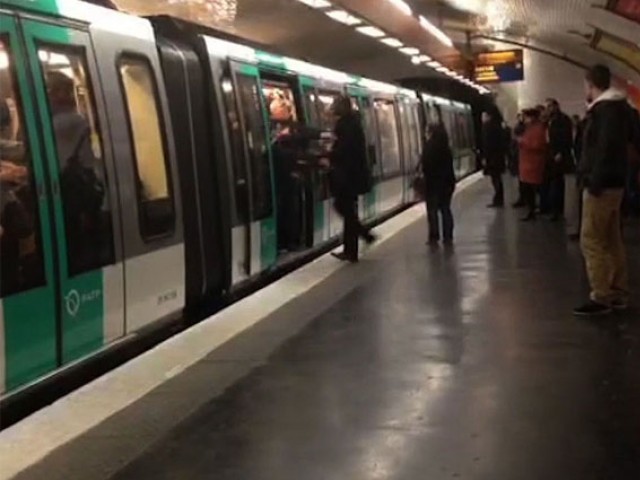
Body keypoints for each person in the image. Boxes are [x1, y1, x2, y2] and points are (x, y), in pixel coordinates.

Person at [574, 64, 631, 316]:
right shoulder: (622, 109)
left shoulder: (604, 111)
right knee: (611, 239)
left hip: (602, 184)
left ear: (590, 84)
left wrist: (593, 179)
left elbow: (604, 148)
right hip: (616, 182)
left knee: (591, 239)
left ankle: (601, 296)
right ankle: (617, 291)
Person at [325, 95, 375, 263]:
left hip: (347, 177)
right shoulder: (354, 123)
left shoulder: (345, 126)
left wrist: (327, 154)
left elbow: (343, 151)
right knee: (349, 212)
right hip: (353, 176)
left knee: (344, 209)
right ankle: (351, 249)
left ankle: (363, 236)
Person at [421, 123, 455, 245]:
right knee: (446, 209)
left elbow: (426, 166)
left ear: (430, 133)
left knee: (433, 211)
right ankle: (448, 235)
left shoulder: (429, 147)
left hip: (433, 185)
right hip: (447, 184)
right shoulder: (446, 147)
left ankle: (434, 236)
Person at [545, 98, 574, 221]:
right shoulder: (550, 120)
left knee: (556, 183)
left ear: (556, 106)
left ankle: (556, 211)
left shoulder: (563, 120)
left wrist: (560, 152)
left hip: (558, 155)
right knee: (556, 182)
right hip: (552, 154)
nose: (548, 109)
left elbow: (566, 137)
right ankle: (556, 209)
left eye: (549, 106)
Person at [517, 108, 548, 221]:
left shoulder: (538, 129)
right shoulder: (529, 128)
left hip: (533, 164)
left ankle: (534, 211)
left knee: (532, 189)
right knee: (529, 189)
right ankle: (532, 210)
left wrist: (522, 142)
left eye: (526, 117)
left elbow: (538, 145)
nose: (524, 119)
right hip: (528, 163)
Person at [481, 106, 507, 207]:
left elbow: (487, 144)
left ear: (489, 116)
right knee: (497, 178)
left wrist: (485, 158)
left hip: (492, 158)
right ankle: (499, 198)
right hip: (498, 157)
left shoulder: (488, 127)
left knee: (495, 178)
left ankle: (498, 200)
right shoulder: (498, 125)